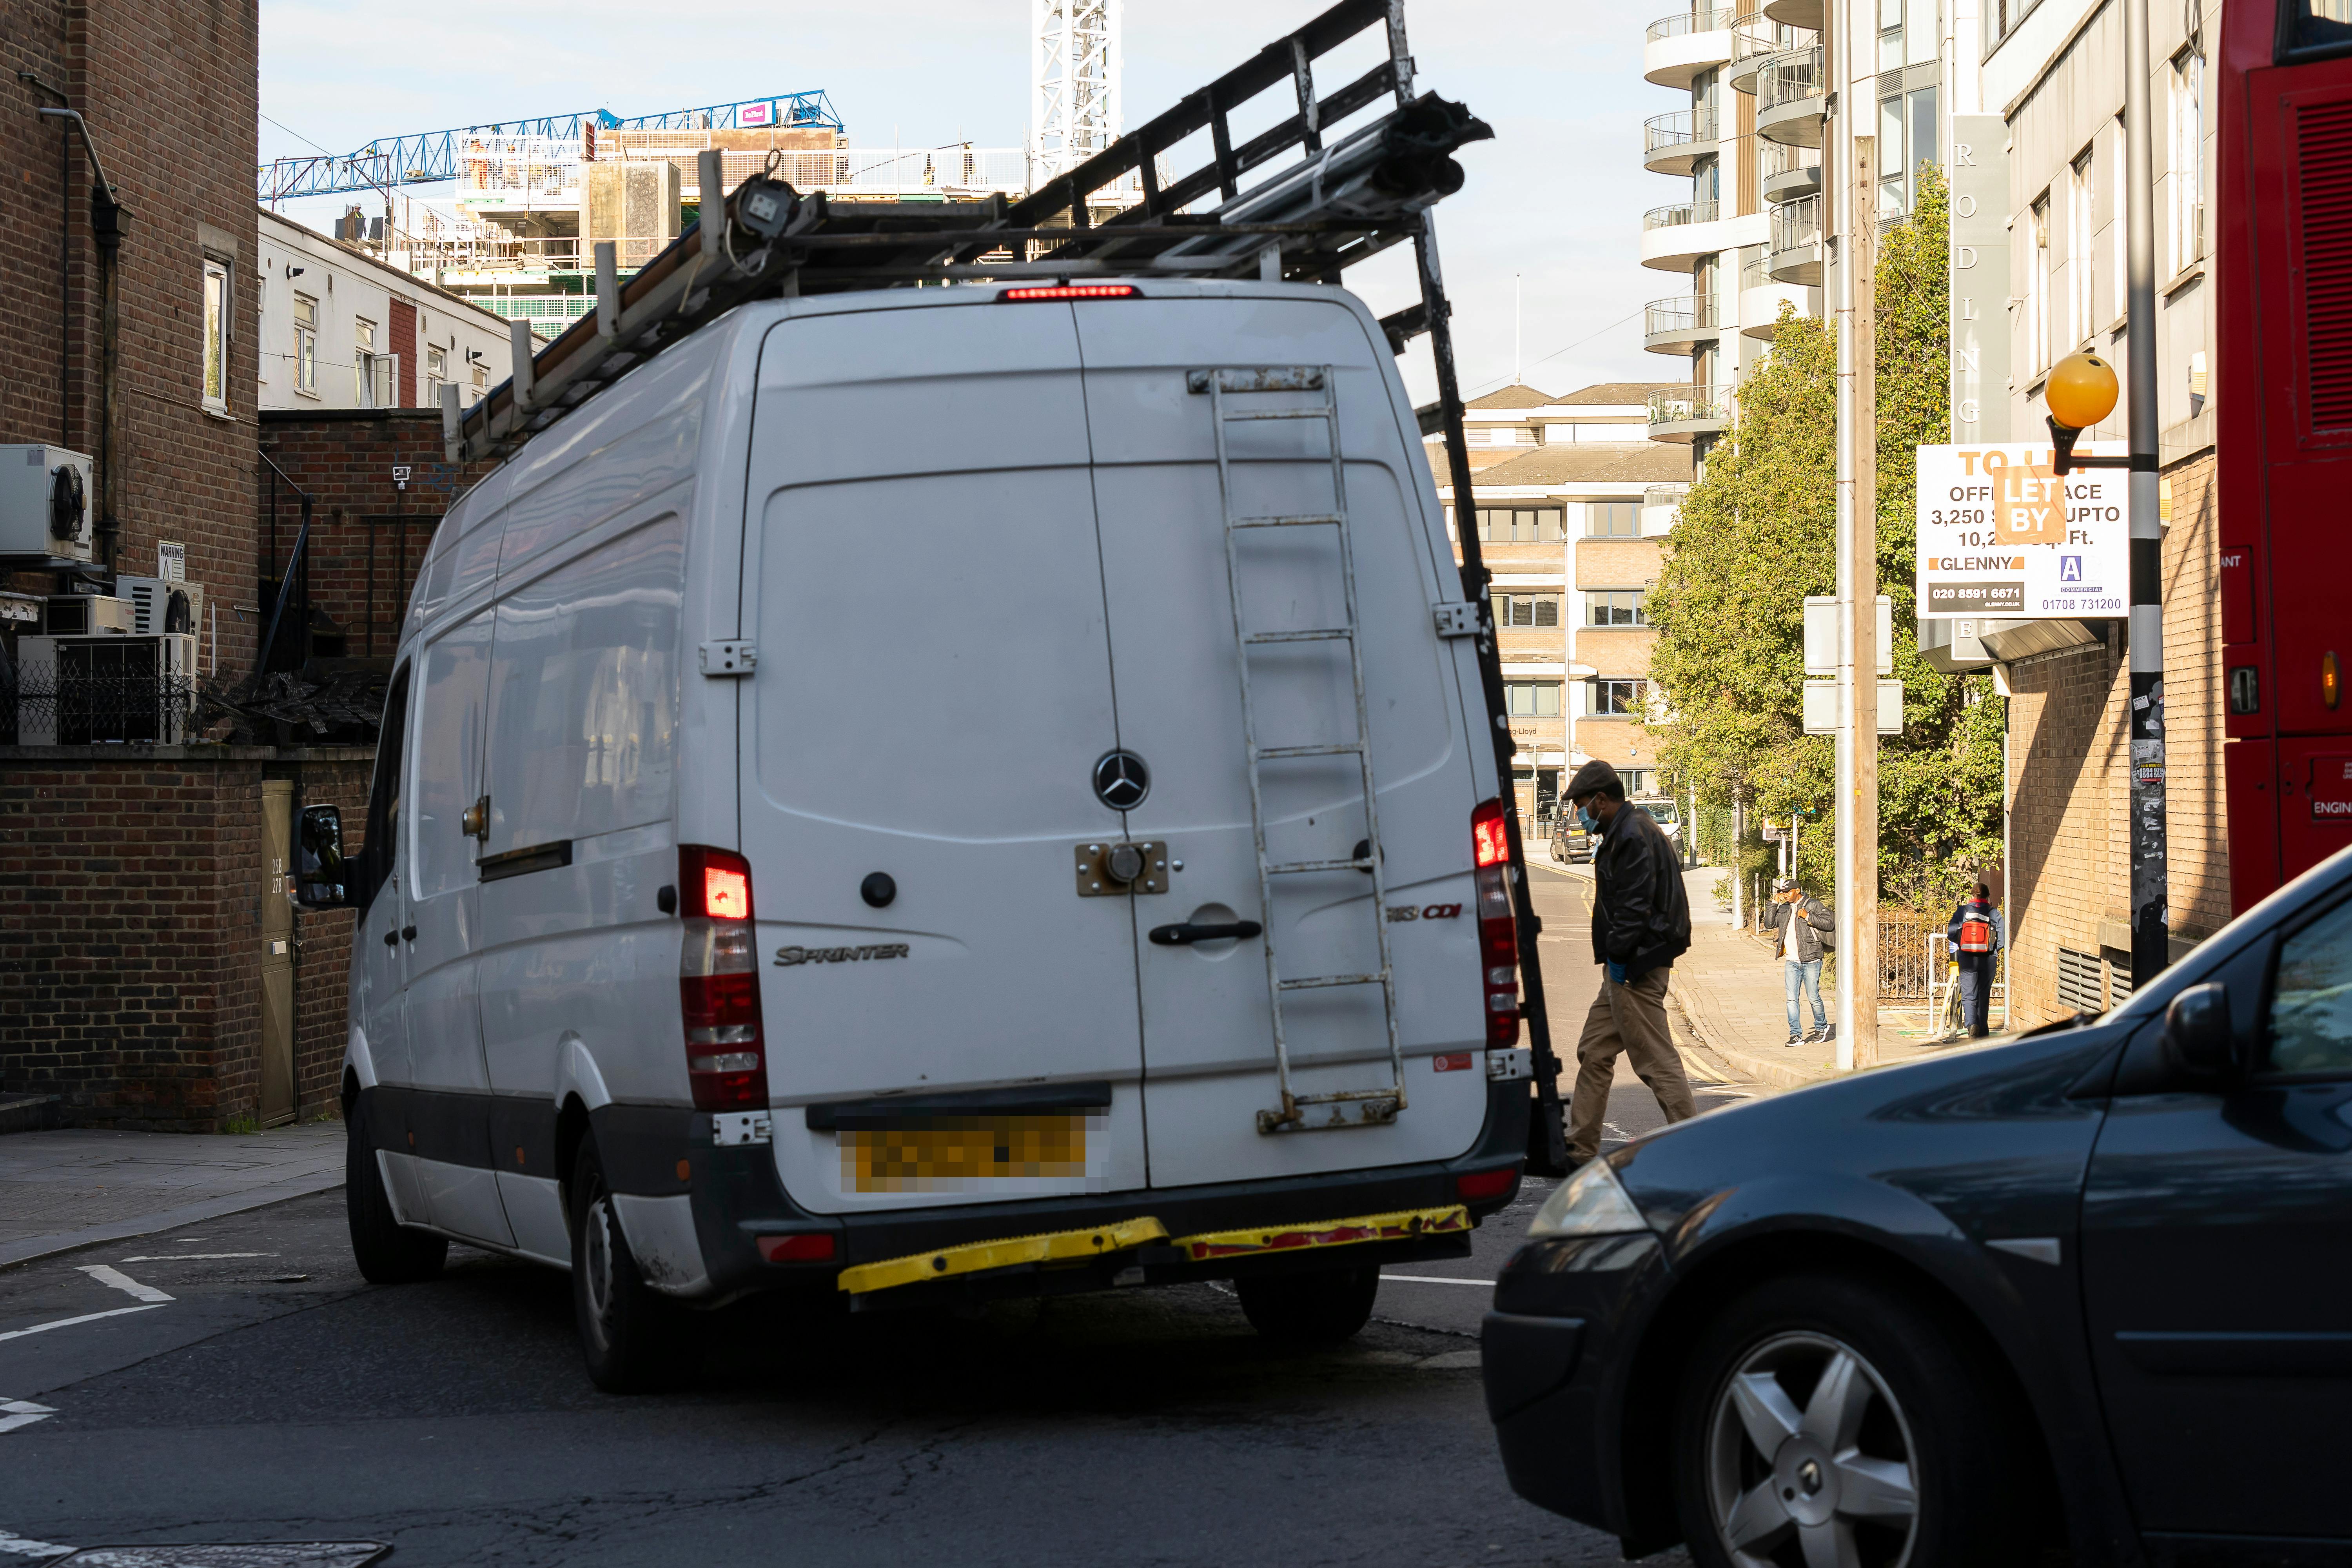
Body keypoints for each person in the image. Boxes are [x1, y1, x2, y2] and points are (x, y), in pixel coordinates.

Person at [1562, 758, 1697, 1165]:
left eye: (1583, 805)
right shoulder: (1628, 830)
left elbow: (1634, 908)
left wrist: (1619, 958)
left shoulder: (1633, 835)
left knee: (1655, 1060)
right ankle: (1580, 1148)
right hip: (1626, 964)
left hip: (1635, 966)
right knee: (1594, 1050)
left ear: (1602, 800)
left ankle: (1695, 1150)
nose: (1580, 814)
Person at [1760, 875, 1835, 1045]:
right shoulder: (1785, 908)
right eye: (1782, 892)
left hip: (1811, 959)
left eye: (1787, 892)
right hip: (1792, 961)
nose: (1784, 894)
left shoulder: (1813, 905)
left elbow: (1829, 924)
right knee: (1792, 1000)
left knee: (1813, 997)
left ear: (1797, 891)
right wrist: (1773, 903)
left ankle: (1822, 1027)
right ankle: (1796, 1035)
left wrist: (1808, 917)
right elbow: (1769, 924)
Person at [1945, 882, 2006, 1038]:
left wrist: (1965, 944)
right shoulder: (1994, 913)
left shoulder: (1962, 911)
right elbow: (2003, 939)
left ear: (1972, 895)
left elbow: (1951, 933)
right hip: (1988, 959)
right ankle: (1983, 1030)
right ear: (1988, 896)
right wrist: (1991, 950)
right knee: (1984, 994)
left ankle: (1972, 1024)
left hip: (1967, 958)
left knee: (1969, 994)